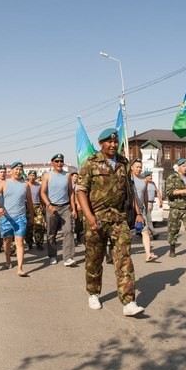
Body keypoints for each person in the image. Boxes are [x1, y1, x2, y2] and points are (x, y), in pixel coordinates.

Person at [75, 128, 145, 317]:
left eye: (115, 142)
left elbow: (131, 191)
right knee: (94, 259)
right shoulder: (90, 164)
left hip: (118, 218)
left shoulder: (124, 163)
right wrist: (89, 218)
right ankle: (93, 293)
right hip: (95, 218)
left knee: (124, 259)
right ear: (101, 144)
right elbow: (80, 191)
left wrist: (138, 213)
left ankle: (129, 301)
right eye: (109, 142)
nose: (113, 145)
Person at [0, 161, 34, 277]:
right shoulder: (4, 183)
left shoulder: (25, 185)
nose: (18, 172)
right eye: (16, 169)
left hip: (20, 217)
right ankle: (8, 259)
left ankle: (20, 268)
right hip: (6, 217)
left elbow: (29, 202)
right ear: (11, 170)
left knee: (19, 242)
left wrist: (32, 216)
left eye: (20, 169)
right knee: (7, 242)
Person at [40, 153, 78, 267]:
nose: (59, 163)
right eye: (57, 161)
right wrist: (48, 204)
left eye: (61, 161)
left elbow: (71, 192)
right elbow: (42, 192)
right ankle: (52, 255)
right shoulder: (47, 175)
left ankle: (68, 257)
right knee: (51, 233)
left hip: (65, 207)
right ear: (52, 163)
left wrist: (74, 208)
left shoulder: (67, 175)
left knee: (68, 231)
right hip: (52, 207)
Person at [131, 159, 158, 262]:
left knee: (145, 231)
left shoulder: (144, 179)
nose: (138, 169)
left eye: (140, 167)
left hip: (141, 209)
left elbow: (145, 194)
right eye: (137, 167)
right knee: (128, 232)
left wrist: (146, 208)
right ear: (132, 167)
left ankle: (148, 254)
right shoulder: (129, 179)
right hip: (130, 210)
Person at [25, 170, 45, 250]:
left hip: (37, 206)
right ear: (28, 176)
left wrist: (43, 207)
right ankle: (29, 243)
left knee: (39, 225)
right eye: (30, 175)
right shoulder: (25, 185)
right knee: (28, 226)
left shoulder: (39, 186)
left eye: (34, 175)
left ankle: (39, 242)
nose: (32, 177)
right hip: (27, 207)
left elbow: (41, 196)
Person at [144, 171, 162, 240]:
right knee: (149, 219)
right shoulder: (144, 183)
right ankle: (154, 233)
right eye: (149, 176)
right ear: (145, 177)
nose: (150, 177)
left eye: (151, 176)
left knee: (147, 218)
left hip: (151, 203)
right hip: (146, 203)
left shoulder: (153, 183)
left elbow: (157, 192)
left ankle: (141, 231)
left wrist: (160, 200)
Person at [70, 172, 84, 245]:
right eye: (75, 176)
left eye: (77, 176)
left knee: (78, 221)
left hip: (77, 204)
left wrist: (78, 204)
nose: (76, 178)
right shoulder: (69, 185)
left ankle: (78, 235)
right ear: (71, 177)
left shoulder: (78, 185)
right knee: (70, 222)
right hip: (70, 205)